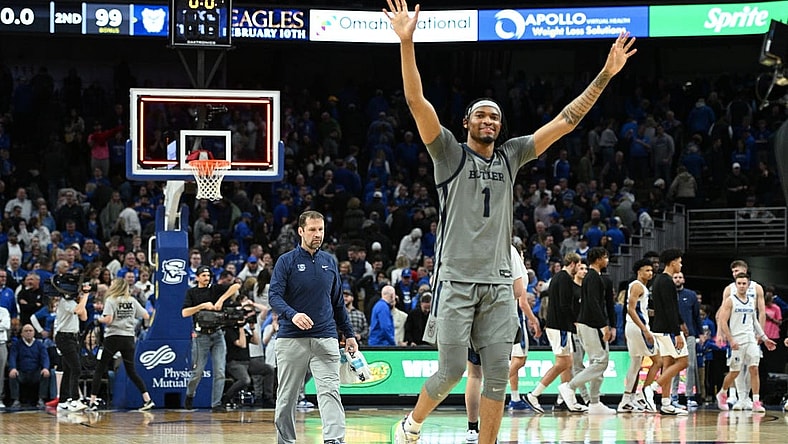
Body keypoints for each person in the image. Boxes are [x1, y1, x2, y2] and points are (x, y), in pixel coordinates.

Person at [386, 2, 636, 441]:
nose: (489, 120)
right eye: (481, 114)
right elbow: (414, 100)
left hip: (499, 281)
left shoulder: (512, 154)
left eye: (495, 116)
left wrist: (606, 74)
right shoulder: (447, 152)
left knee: (498, 377)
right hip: (457, 279)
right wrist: (407, 43)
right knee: (447, 373)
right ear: (466, 123)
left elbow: (568, 119)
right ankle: (412, 423)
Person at [268, 210, 357, 444]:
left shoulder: (330, 261)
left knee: (330, 391)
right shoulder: (286, 261)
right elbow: (274, 297)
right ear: (300, 231)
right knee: (286, 396)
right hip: (291, 339)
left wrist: (349, 334)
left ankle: (334, 439)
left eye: (321, 230)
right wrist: (292, 314)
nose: (318, 234)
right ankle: (285, 441)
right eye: (312, 230)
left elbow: (338, 302)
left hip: (326, 337)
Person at [465, 244, 543, 443]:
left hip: (471, 315)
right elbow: (519, 292)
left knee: (474, 374)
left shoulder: (470, 245)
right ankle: (489, 431)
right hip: (500, 318)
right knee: (495, 377)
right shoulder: (509, 250)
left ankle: (472, 428)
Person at [559, 248, 616, 414]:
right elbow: (593, 303)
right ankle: (569, 387)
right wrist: (603, 325)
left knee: (596, 362)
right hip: (591, 324)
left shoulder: (594, 277)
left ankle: (595, 402)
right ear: (598, 259)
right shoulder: (592, 277)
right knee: (600, 362)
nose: (607, 260)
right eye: (605, 257)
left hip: (589, 324)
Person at [524, 253, 583, 414]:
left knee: (567, 363)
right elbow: (565, 305)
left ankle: (564, 400)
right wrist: (574, 322)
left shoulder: (559, 278)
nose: (579, 269)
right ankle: (534, 394)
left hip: (558, 326)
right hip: (560, 326)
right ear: (572, 264)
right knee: (563, 363)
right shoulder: (564, 278)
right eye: (578, 265)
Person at [181, 265, 242, 412]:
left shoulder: (215, 289)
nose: (206, 278)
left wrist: (221, 299)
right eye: (203, 275)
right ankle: (190, 395)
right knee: (197, 372)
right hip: (201, 335)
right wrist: (201, 306)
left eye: (208, 275)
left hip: (218, 334)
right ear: (197, 278)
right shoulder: (192, 292)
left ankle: (216, 403)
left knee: (220, 370)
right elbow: (184, 313)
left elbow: (236, 285)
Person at [85, 278, 153, 411]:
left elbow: (108, 320)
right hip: (128, 338)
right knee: (131, 371)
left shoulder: (111, 300)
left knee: (100, 368)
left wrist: (98, 319)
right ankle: (147, 399)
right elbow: (146, 315)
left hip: (113, 337)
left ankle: (92, 402)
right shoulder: (132, 300)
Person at [715, 273, 776, 413]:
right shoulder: (730, 300)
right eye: (739, 283)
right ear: (735, 285)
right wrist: (730, 339)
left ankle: (755, 401)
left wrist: (765, 338)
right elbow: (723, 321)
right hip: (737, 340)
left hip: (750, 339)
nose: (742, 286)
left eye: (744, 283)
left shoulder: (750, 301)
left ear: (748, 285)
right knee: (734, 372)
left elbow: (754, 321)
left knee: (754, 368)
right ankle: (722, 393)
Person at [642, 249, 689, 416]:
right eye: (680, 261)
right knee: (683, 362)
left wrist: (681, 322)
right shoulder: (667, 282)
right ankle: (651, 388)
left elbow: (669, 307)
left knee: (668, 364)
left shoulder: (658, 280)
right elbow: (670, 309)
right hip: (668, 329)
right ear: (672, 262)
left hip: (660, 328)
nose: (681, 265)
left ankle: (666, 403)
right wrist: (677, 333)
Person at [618, 259, 661, 413]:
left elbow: (640, 309)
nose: (650, 273)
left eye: (651, 270)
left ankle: (626, 400)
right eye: (647, 270)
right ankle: (644, 394)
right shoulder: (636, 285)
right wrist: (645, 329)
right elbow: (631, 309)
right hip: (638, 328)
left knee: (635, 363)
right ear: (639, 271)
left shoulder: (640, 286)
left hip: (634, 327)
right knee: (658, 360)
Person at [54, 278, 90, 412]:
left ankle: (63, 401)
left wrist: (82, 300)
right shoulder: (65, 302)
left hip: (73, 338)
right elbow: (79, 311)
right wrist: (85, 296)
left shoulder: (73, 302)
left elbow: (84, 316)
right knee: (76, 368)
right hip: (65, 337)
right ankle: (75, 399)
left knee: (68, 369)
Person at [671, 271, 702, 409]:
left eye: (680, 277)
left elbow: (696, 316)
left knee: (690, 365)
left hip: (689, 334)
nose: (678, 279)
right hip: (671, 334)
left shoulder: (691, 295)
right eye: (675, 277)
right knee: (674, 366)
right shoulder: (668, 295)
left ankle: (690, 395)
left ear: (683, 279)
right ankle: (673, 395)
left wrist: (699, 333)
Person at [7, 323, 50, 408]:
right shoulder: (16, 345)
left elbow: (45, 358)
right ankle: (15, 400)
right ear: (22, 333)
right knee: (12, 374)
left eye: (30, 331)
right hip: (22, 372)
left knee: (46, 374)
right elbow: (12, 357)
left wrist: (45, 368)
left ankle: (41, 399)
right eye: (26, 331)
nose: (28, 333)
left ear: (34, 332)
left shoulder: (39, 345)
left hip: (35, 373)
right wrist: (13, 368)